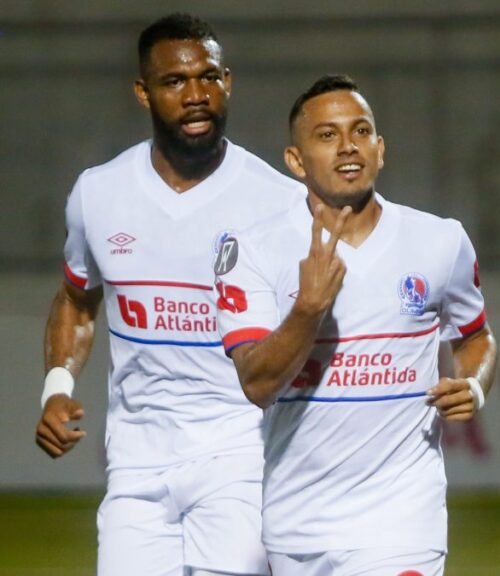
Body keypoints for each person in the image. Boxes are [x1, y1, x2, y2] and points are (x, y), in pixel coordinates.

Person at [34, 13, 304, 576]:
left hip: (241, 457)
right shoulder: (99, 193)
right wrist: (57, 388)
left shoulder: (282, 203)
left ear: (228, 81)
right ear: (143, 91)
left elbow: (311, 328)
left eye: (208, 77)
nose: (196, 95)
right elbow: (78, 299)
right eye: (174, 82)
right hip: (135, 462)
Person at [215, 74, 498, 576]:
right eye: (327, 135)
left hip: (404, 524)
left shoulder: (439, 241)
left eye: (361, 131)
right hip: (297, 527)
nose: (348, 146)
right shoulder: (253, 250)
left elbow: (476, 338)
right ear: (296, 161)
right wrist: (308, 309)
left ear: (380, 148)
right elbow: (256, 383)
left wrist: (474, 384)